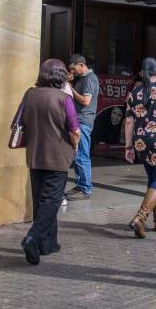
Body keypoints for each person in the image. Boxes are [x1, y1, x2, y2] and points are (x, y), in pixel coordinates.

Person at [19, 59, 81, 265]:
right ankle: (34, 238)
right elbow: (74, 130)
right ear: (61, 76)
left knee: (40, 200)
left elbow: (20, 122)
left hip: (35, 155)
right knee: (52, 201)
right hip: (57, 156)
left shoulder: (30, 95)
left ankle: (49, 243)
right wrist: (76, 147)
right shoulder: (64, 99)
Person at [122, 57, 156, 238]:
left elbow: (129, 121)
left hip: (141, 142)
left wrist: (128, 147)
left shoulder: (135, 92)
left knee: (154, 179)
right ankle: (140, 217)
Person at [66, 54, 99, 201]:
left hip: (84, 121)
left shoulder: (90, 79)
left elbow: (86, 101)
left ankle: (85, 188)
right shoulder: (83, 78)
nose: (72, 71)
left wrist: (70, 89)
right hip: (79, 120)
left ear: (81, 65)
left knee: (82, 155)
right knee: (78, 154)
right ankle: (80, 185)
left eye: (73, 68)